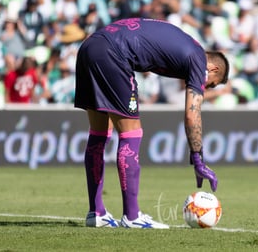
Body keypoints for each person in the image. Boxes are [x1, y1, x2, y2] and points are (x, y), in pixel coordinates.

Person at [74, 18, 229, 229]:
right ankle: (132, 216)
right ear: (212, 70)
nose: (205, 88)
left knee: (99, 132)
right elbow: (192, 115)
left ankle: (97, 212)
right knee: (131, 133)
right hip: (113, 53)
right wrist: (198, 158)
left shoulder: (186, 43)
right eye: (210, 85)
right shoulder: (198, 59)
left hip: (89, 46)